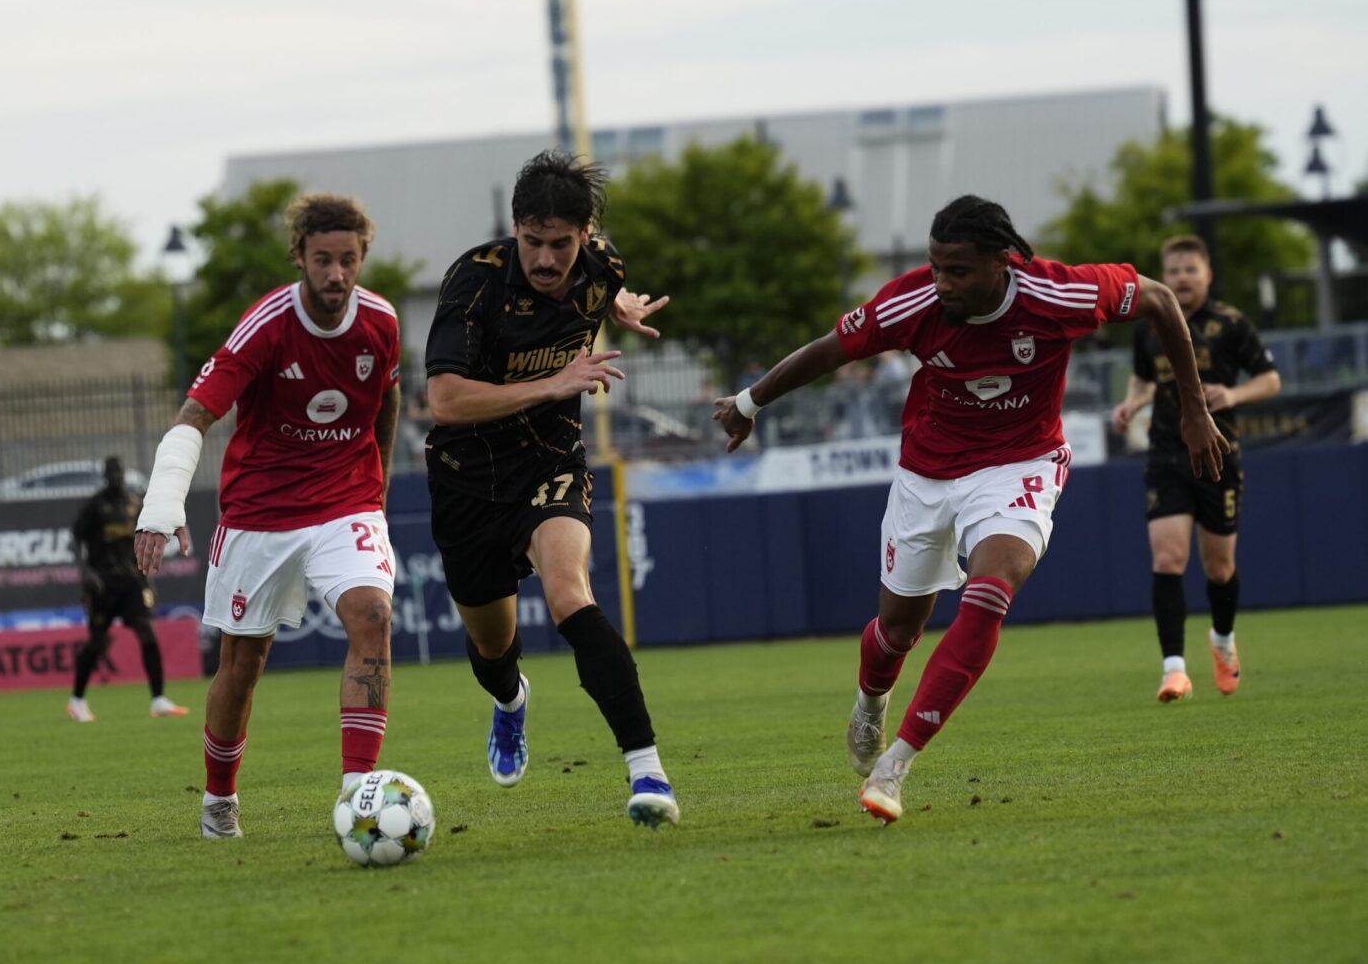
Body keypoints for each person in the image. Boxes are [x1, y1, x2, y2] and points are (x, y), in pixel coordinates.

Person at [713, 195, 1228, 825]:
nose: (942, 282)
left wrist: (1194, 409)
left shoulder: (1060, 292)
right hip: (927, 472)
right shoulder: (913, 302)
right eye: (936, 267)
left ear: (1000, 262)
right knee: (897, 632)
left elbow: (1160, 300)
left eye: (956, 270)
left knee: (989, 592)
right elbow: (830, 350)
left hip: (1021, 463)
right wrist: (749, 402)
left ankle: (895, 765)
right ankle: (870, 704)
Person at [133, 193, 403, 840]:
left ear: (362, 256)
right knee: (243, 664)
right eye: (322, 260)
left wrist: (378, 489)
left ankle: (358, 797)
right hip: (261, 511)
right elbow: (195, 415)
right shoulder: (266, 325)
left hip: (346, 501)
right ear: (299, 257)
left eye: (348, 260)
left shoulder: (382, 322)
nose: (336, 274)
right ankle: (219, 797)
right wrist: (161, 505)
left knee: (373, 615)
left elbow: (387, 399)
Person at [423, 149, 679, 827]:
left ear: (585, 235)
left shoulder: (602, 264)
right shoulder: (473, 283)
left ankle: (648, 771)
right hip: (467, 480)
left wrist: (619, 305)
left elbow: (605, 284)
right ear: (515, 228)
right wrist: (554, 382)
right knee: (492, 649)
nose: (544, 258)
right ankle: (511, 702)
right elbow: (444, 401)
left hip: (550, 460)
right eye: (532, 241)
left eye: (560, 244)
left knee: (570, 595)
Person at [1110, 235, 1280, 702]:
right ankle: (1174, 670)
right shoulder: (1150, 325)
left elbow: (1271, 379)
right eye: (1174, 271)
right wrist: (1131, 402)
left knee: (1219, 568)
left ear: (1208, 274)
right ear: (1164, 277)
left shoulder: (1231, 323)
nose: (1182, 278)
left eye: (1190, 270)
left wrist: (1234, 394)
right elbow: (1144, 376)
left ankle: (1222, 640)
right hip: (1166, 452)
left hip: (1218, 453)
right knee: (1168, 558)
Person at [66, 456, 189, 722]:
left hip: (133, 580)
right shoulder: (95, 505)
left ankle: (158, 699)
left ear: (124, 474)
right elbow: (74, 541)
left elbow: (144, 541)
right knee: (97, 641)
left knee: (148, 633)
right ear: (105, 475)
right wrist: (86, 573)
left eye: (119, 472)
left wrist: (148, 581)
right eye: (111, 472)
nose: (116, 477)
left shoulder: (135, 503)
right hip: (103, 582)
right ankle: (77, 701)